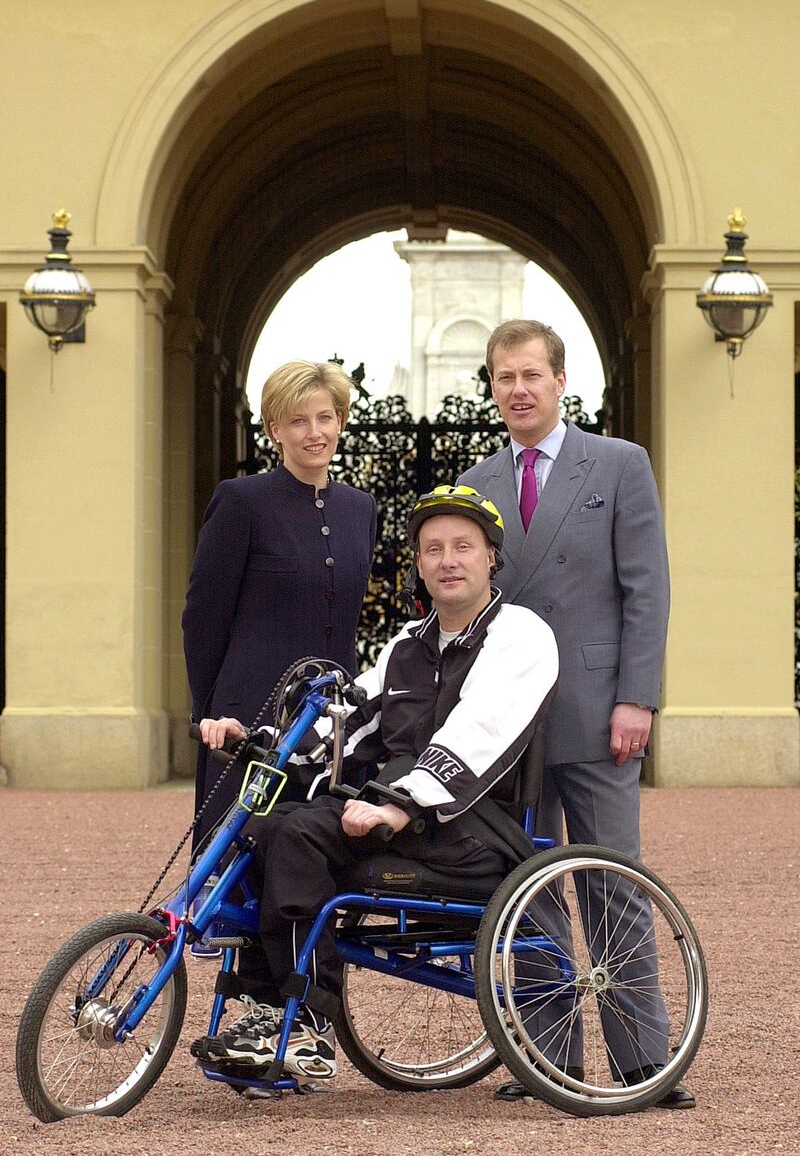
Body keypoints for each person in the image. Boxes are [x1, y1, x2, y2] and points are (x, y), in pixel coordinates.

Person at [190, 485, 559, 1083]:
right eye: (433, 549)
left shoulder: (521, 634)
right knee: (262, 829)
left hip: (470, 833)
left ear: (491, 556)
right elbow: (346, 723)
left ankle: (307, 1023)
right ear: (418, 564)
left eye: (463, 547)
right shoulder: (405, 646)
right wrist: (258, 740)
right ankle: (264, 1014)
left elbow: (479, 731)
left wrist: (400, 804)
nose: (448, 560)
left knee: (300, 838)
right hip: (387, 820)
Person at [458, 319, 693, 1109]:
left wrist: (638, 695)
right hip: (508, 721)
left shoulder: (620, 465)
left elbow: (646, 589)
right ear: (490, 386)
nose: (517, 389)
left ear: (562, 381)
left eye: (530, 374)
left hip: (598, 710)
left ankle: (642, 1063)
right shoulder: (478, 479)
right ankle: (546, 1059)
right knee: (522, 882)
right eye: (503, 377)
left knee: (609, 878)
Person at [183, 359, 377, 846]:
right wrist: (205, 712)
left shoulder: (361, 508)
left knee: (317, 858)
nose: (315, 432)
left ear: (341, 421)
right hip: (248, 716)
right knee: (236, 864)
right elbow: (203, 618)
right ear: (274, 429)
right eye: (298, 420)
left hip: (331, 720)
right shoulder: (241, 501)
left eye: (325, 417)